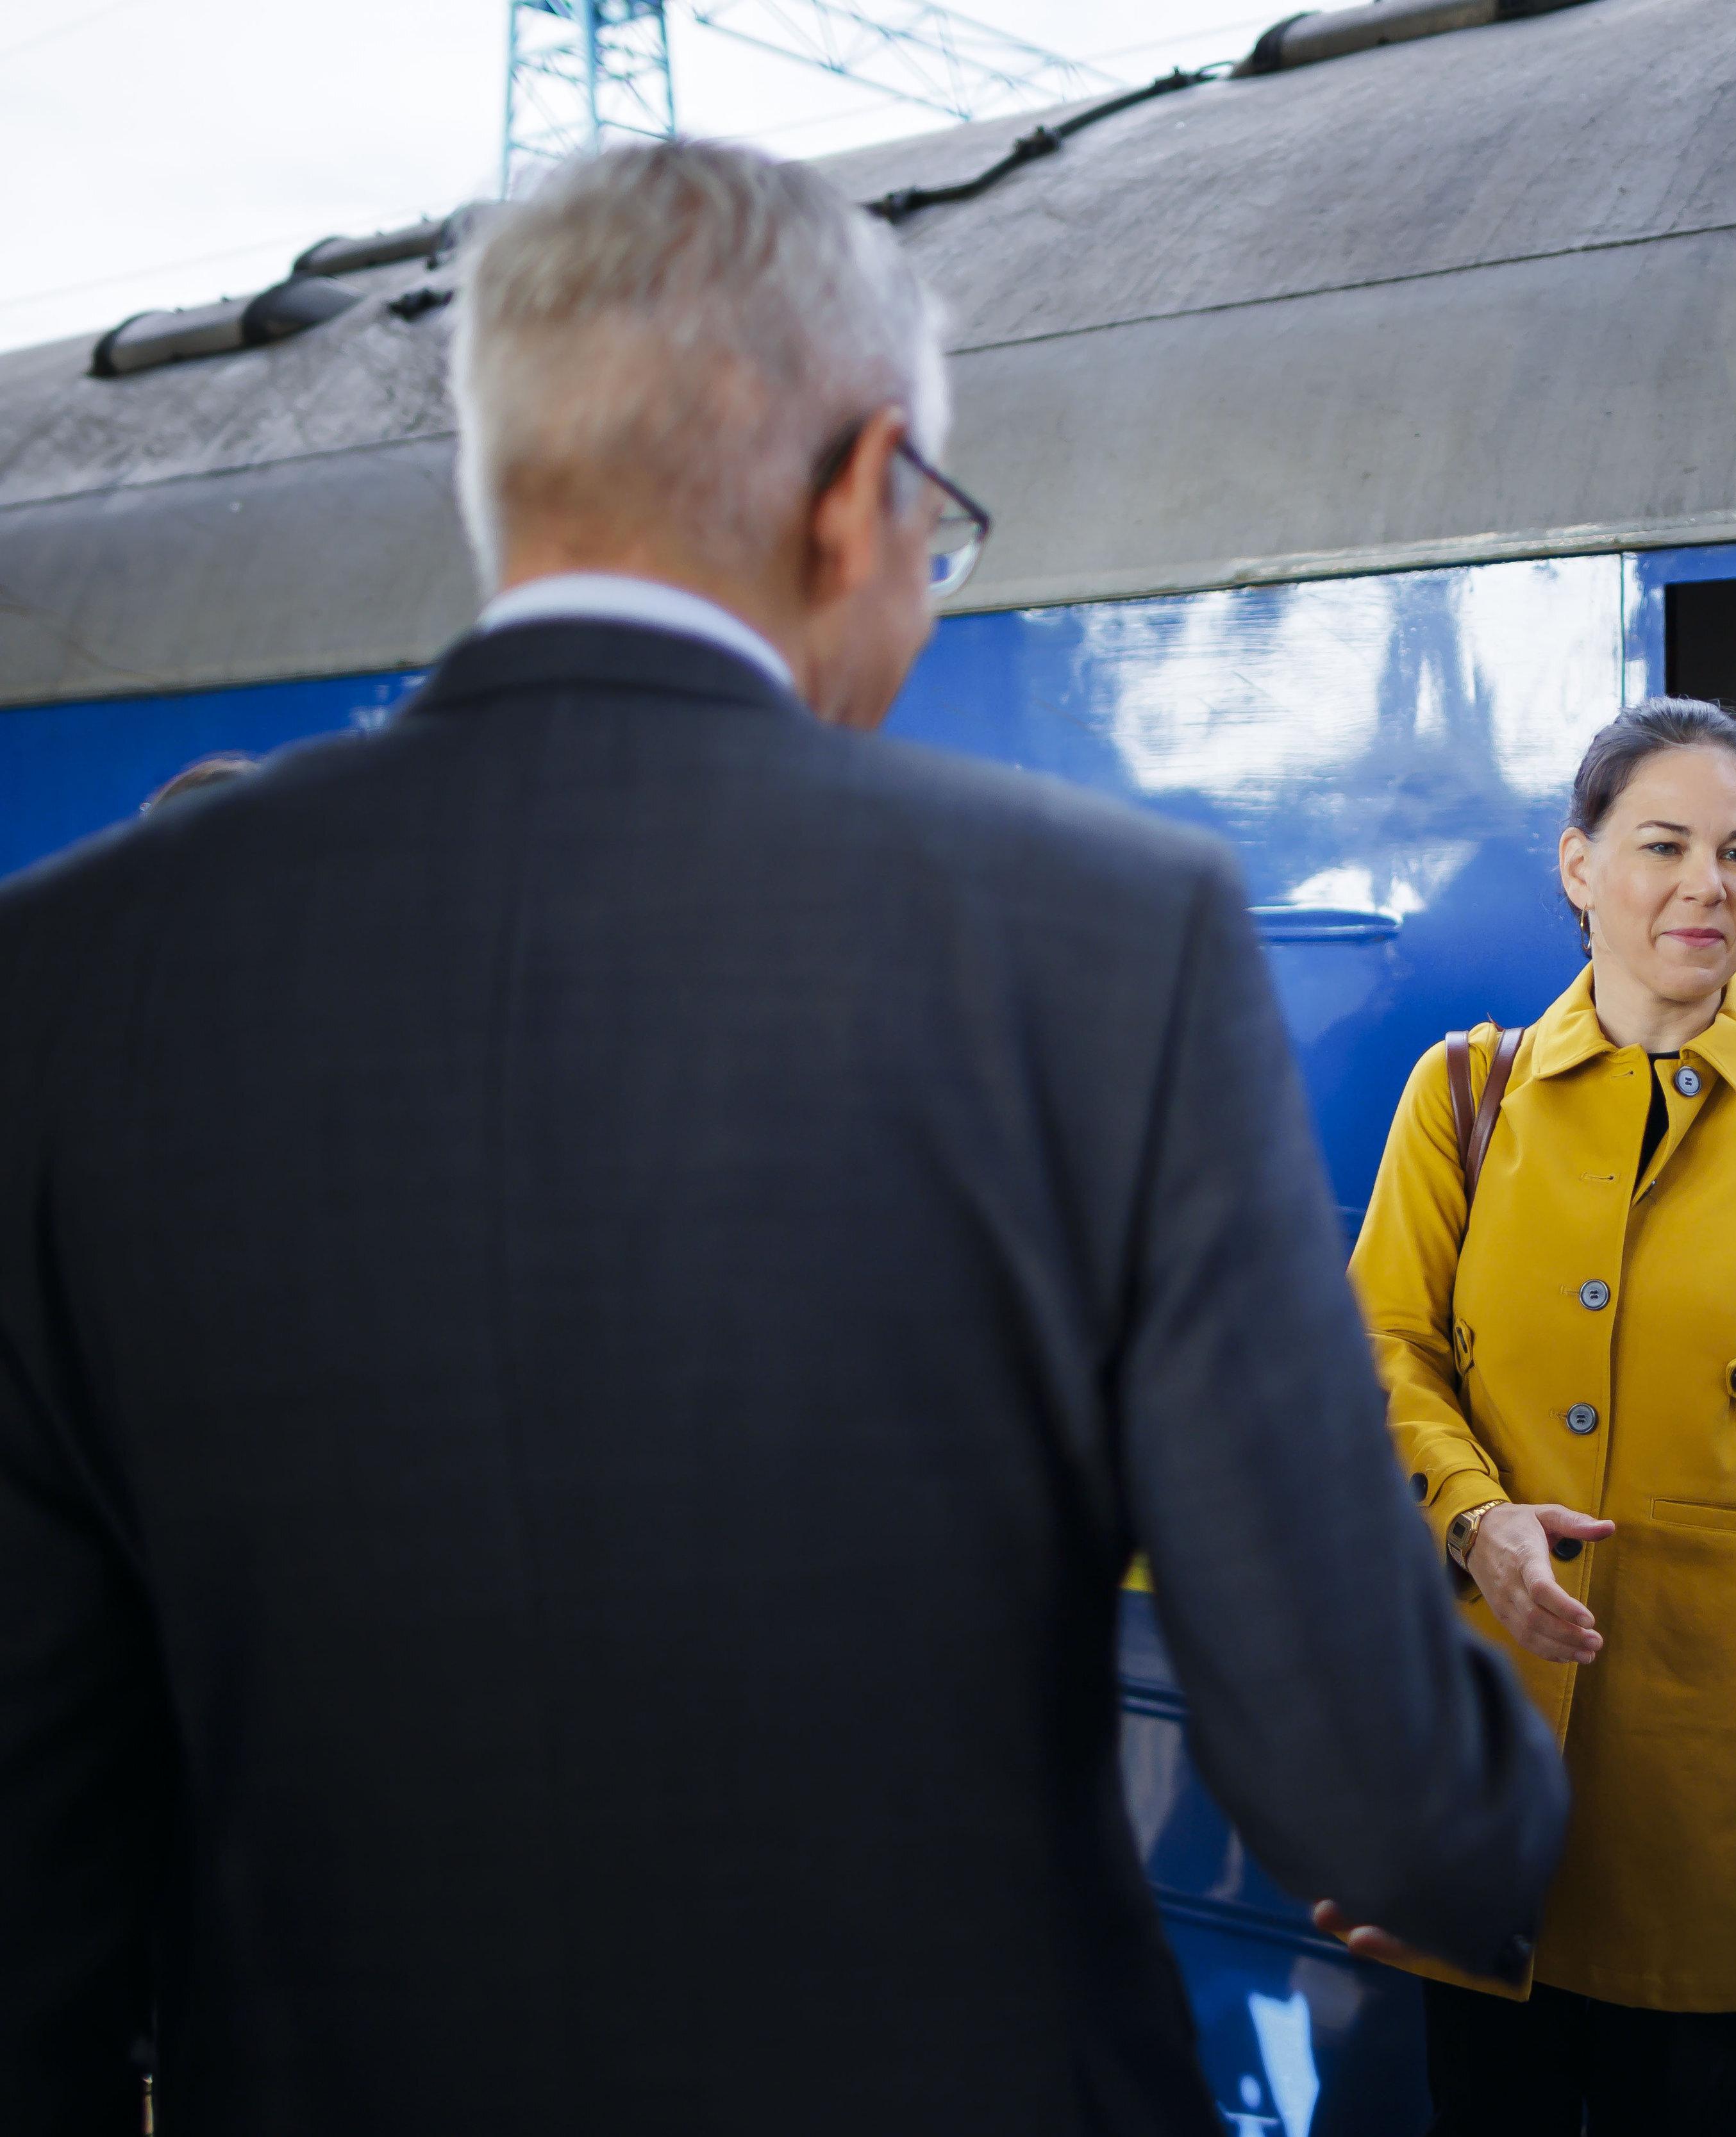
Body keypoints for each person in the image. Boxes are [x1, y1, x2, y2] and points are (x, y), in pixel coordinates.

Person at [0, 140, 1564, 2136]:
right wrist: (1515, 1807)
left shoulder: (61, 984)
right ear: (866, 493)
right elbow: (1382, 1784)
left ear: (508, 483)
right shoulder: (1113, 940)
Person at [1337, 699, 1736, 2135]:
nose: (1704, 885)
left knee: (1682, 2108)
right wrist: (1475, 1520)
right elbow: (1375, 1351)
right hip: (1485, 1723)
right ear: (1577, 866)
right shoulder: (1463, 1088)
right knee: (1489, 2105)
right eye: (1660, 843)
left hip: (1713, 1716)